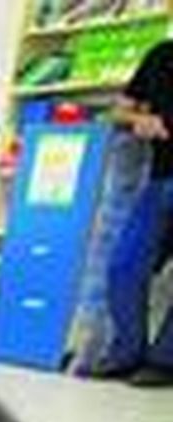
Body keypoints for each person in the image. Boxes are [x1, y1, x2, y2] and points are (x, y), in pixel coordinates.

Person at [95, 40, 173, 385]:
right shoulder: (160, 55)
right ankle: (127, 352)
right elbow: (118, 111)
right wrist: (141, 119)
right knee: (124, 266)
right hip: (160, 180)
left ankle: (165, 361)